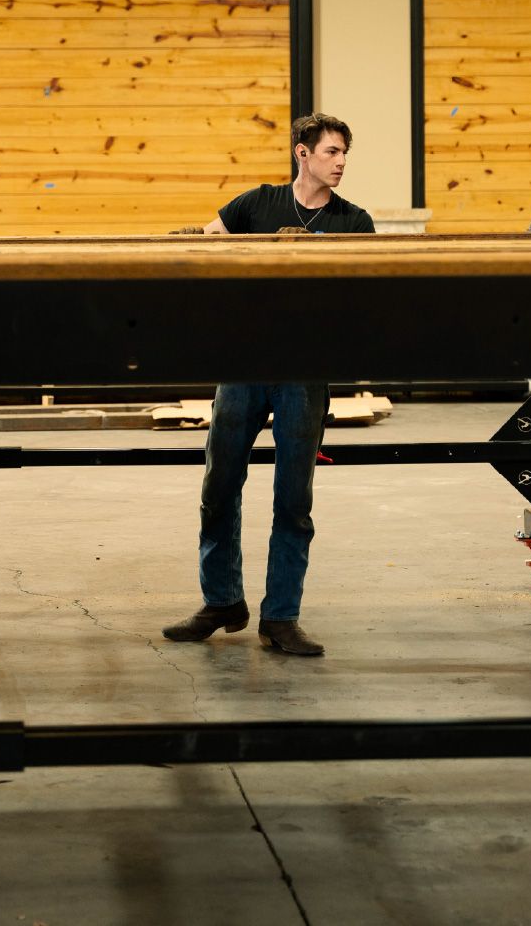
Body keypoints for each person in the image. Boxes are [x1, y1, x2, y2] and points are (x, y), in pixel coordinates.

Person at [162, 113, 375, 656]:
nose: (341, 161)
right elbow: (208, 245)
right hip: (243, 365)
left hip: (303, 373)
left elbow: (364, 297)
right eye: (331, 152)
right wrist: (189, 245)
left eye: (345, 152)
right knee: (218, 488)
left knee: (292, 501)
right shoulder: (256, 204)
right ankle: (223, 602)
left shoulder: (355, 222)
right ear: (302, 154)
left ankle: (281, 618)